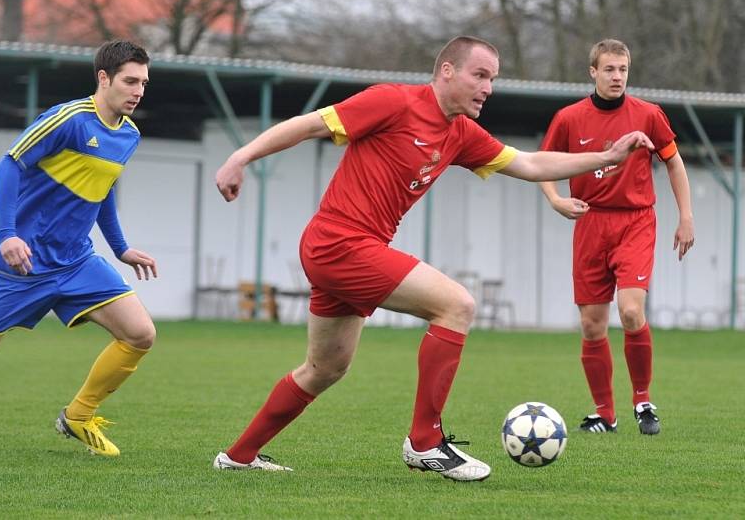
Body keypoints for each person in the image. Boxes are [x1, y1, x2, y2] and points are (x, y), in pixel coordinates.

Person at [213, 35, 654, 481]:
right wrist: (241, 156)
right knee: (456, 304)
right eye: (479, 75)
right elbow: (308, 125)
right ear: (447, 71)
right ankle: (425, 442)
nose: (488, 87)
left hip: (349, 251)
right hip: (339, 243)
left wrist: (607, 156)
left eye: (493, 79)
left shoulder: (460, 132)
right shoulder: (393, 102)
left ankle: (239, 456)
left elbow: (530, 165)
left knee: (324, 369)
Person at [0, 40, 157, 457]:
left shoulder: (128, 135)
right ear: (104, 78)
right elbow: (11, 163)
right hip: (22, 263)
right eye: (130, 81)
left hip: (77, 261)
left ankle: (78, 416)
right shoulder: (68, 119)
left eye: (144, 83)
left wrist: (120, 248)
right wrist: (8, 234)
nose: (138, 91)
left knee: (140, 334)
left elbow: (102, 192)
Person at [539, 39, 694, 435]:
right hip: (590, 224)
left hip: (635, 221)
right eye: (609, 69)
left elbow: (674, 163)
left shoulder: (648, 115)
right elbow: (544, 165)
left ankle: (643, 400)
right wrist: (556, 200)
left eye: (622, 69)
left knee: (629, 311)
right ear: (593, 72)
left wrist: (686, 217)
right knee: (592, 325)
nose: (617, 77)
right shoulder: (569, 118)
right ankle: (605, 414)